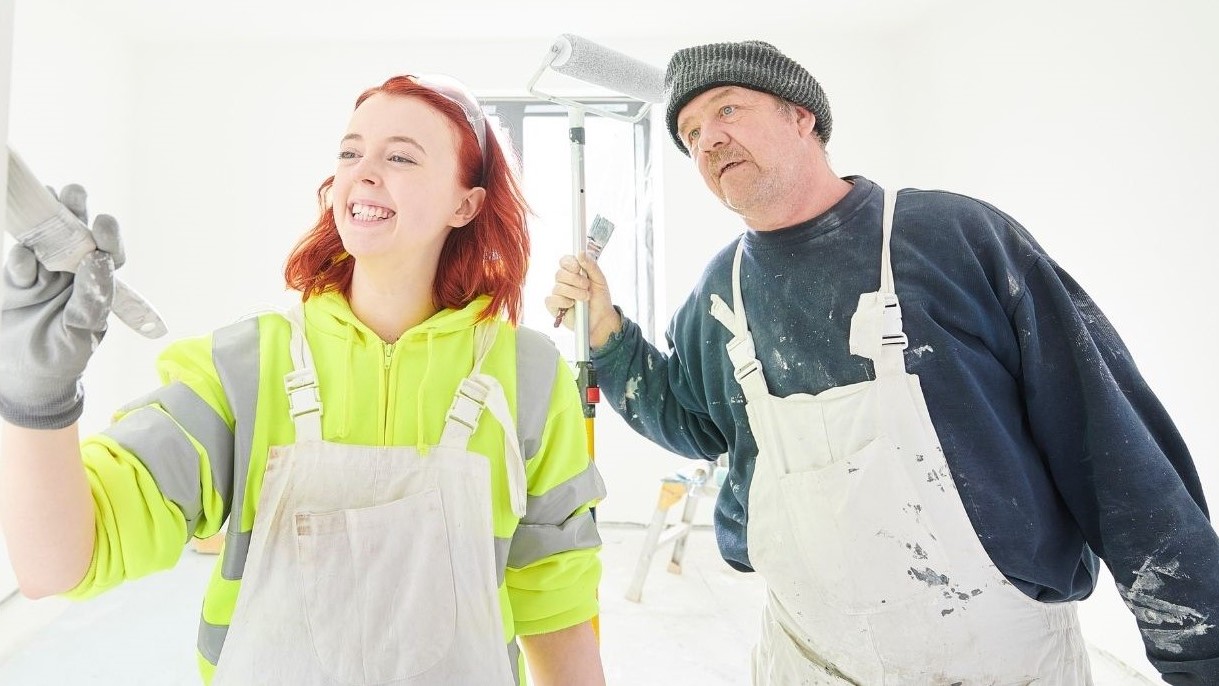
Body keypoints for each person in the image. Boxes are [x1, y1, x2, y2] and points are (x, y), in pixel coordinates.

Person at [547, 39, 1219, 684]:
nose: (708, 140)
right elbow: (693, 423)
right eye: (689, 133)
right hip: (809, 656)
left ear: (801, 115)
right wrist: (605, 326)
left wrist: (1197, 649)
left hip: (996, 661)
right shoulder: (718, 292)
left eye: (725, 109)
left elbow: (1101, 433)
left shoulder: (952, 239)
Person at [0, 74, 607, 686]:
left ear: (466, 203)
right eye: (350, 153)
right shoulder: (243, 367)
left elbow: (556, 611)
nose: (362, 172)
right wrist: (38, 402)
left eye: (399, 156)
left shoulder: (526, 378)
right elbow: (57, 565)